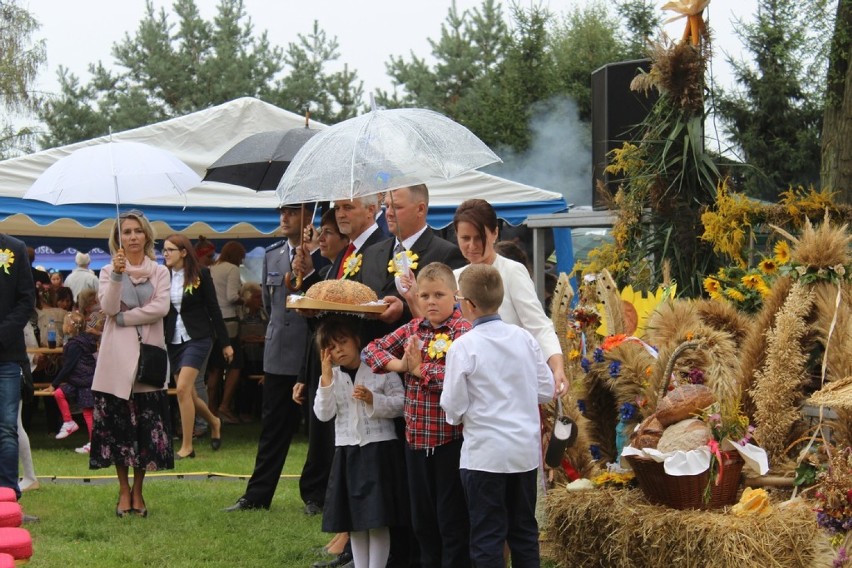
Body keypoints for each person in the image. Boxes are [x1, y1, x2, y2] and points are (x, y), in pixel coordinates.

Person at [441, 264, 555, 566]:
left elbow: (453, 406)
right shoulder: (524, 339)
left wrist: (463, 415)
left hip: (484, 455)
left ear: (469, 304)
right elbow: (546, 390)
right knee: (524, 532)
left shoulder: (463, 347)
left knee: (487, 535)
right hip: (523, 454)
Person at [362, 262, 472, 568]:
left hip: (451, 441)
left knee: (451, 519)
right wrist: (398, 366)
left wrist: (420, 370)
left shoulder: (464, 331)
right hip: (415, 442)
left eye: (439, 294)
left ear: (456, 296)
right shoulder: (413, 329)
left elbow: (456, 377)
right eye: (424, 296)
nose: (431, 302)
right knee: (422, 519)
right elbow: (371, 350)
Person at [224, 202, 328, 512]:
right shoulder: (273, 254)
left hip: (312, 348)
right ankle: (257, 494)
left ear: (308, 216)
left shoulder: (324, 253)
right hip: (279, 348)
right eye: (282, 212)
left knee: (317, 426)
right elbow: (270, 307)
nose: (284, 218)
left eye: (293, 212)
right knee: (273, 427)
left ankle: (315, 494)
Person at [89, 209, 172, 518]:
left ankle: (139, 490)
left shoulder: (160, 271)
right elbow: (108, 306)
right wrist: (119, 276)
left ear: (147, 235)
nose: (133, 236)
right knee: (120, 430)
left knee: (146, 430)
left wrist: (123, 318)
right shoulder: (109, 271)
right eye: (127, 232)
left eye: (138, 231)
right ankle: (123, 490)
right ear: (118, 238)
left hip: (149, 359)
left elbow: (160, 308)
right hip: (116, 361)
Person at [314, 316, 408, 568]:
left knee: (377, 520)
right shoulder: (331, 376)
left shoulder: (380, 367)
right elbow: (323, 413)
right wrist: (325, 381)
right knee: (354, 522)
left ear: (357, 341)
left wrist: (372, 400)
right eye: (332, 348)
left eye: (343, 343)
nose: (339, 350)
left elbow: (402, 404)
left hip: (379, 450)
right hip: (348, 452)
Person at [451, 199, 566, 395]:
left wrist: (557, 368)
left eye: (479, 238)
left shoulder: (512, 271)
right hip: (471, 387)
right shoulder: (454, 277)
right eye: (465, 238)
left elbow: (538, 325)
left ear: (495, 233)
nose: (471, 246)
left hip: (511, 384)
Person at [357, 184, 466, 338]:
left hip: (417, 352)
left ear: (420, 209)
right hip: (368, 352)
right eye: (386, 206)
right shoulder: (371, 253)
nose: (388, 213)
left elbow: (452, 314)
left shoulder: (446, 253)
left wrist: (404, 310)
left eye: (396, 207)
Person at [162, 233, 231, 459]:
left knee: (182, 389)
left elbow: (214, 309)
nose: (165, 254)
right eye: (163, 250)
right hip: (173, 339)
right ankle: (214, 421)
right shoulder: (163, 276)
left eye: (170, 250)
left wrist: (225, 343)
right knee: (188, 394)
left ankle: (187, 445)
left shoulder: (201, 273)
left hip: (199, 337)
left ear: (183, 252)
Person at [0, 234, 36, 502]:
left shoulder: (14, 248)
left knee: (7, 427)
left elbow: (27, 300)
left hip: (7, 354)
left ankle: (7, 494)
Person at [42, 311, 100, 454]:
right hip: (77, 380)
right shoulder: (83, 341)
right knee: (59, 394)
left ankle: (94, 443)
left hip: (85, 381)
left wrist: (53, 384)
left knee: (88, 412)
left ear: (69, 327)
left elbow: (68, 367)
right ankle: (68, 422)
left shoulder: (75, 345)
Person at [206, 241, 246, 423]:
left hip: (212, 322)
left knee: (215, 368)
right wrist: (245, 300)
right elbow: (232, 296)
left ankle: (210, 408)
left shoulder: (212, 268)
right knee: (235, 366)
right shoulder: (232, 269)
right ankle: (225, 406)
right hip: (229, 322)